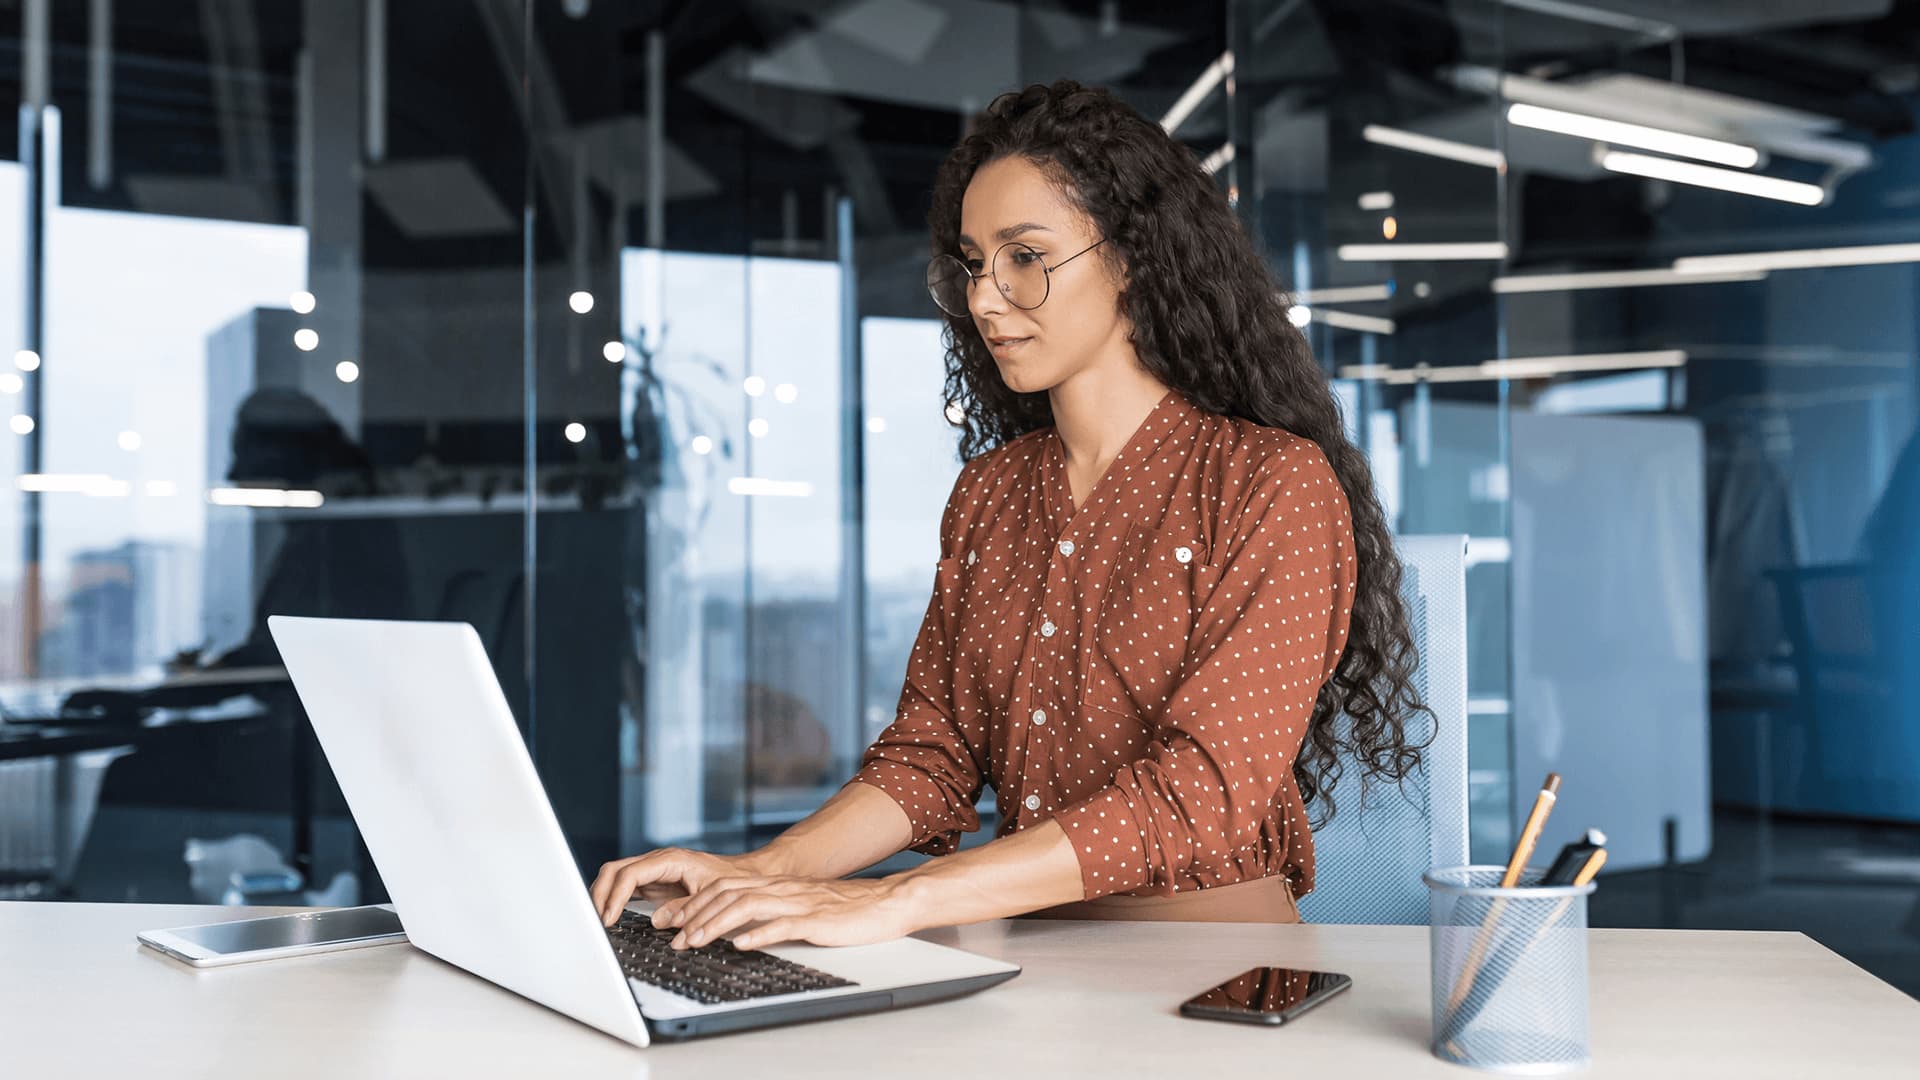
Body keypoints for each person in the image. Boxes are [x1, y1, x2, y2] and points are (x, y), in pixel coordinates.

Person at [591, 80, 1429, 950]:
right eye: (972, 264)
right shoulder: (990, 494)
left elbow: (1204, 794)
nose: (986, 299)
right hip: (1028, 949)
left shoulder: (1271, 484)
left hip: (1213, 958)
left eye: (1025, 257)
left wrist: (904, 898)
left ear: (1132, 256)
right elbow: (932, 755)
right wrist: (770, 870)